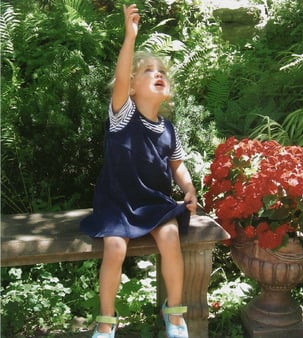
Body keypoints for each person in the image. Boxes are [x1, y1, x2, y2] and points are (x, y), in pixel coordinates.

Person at [80, 4, 197, 338]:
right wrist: (130, 37)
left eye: (162, 71)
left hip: (153, 203)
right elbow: (120, 75)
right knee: (115, 248)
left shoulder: (169, 129)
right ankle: (106, 320)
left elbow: (178, 165)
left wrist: (188, 188)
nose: (158, 73)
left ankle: (174, 314)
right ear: (131, 87)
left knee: (171, 236)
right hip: (116, 203)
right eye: (148, 70)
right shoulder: (123, 115)